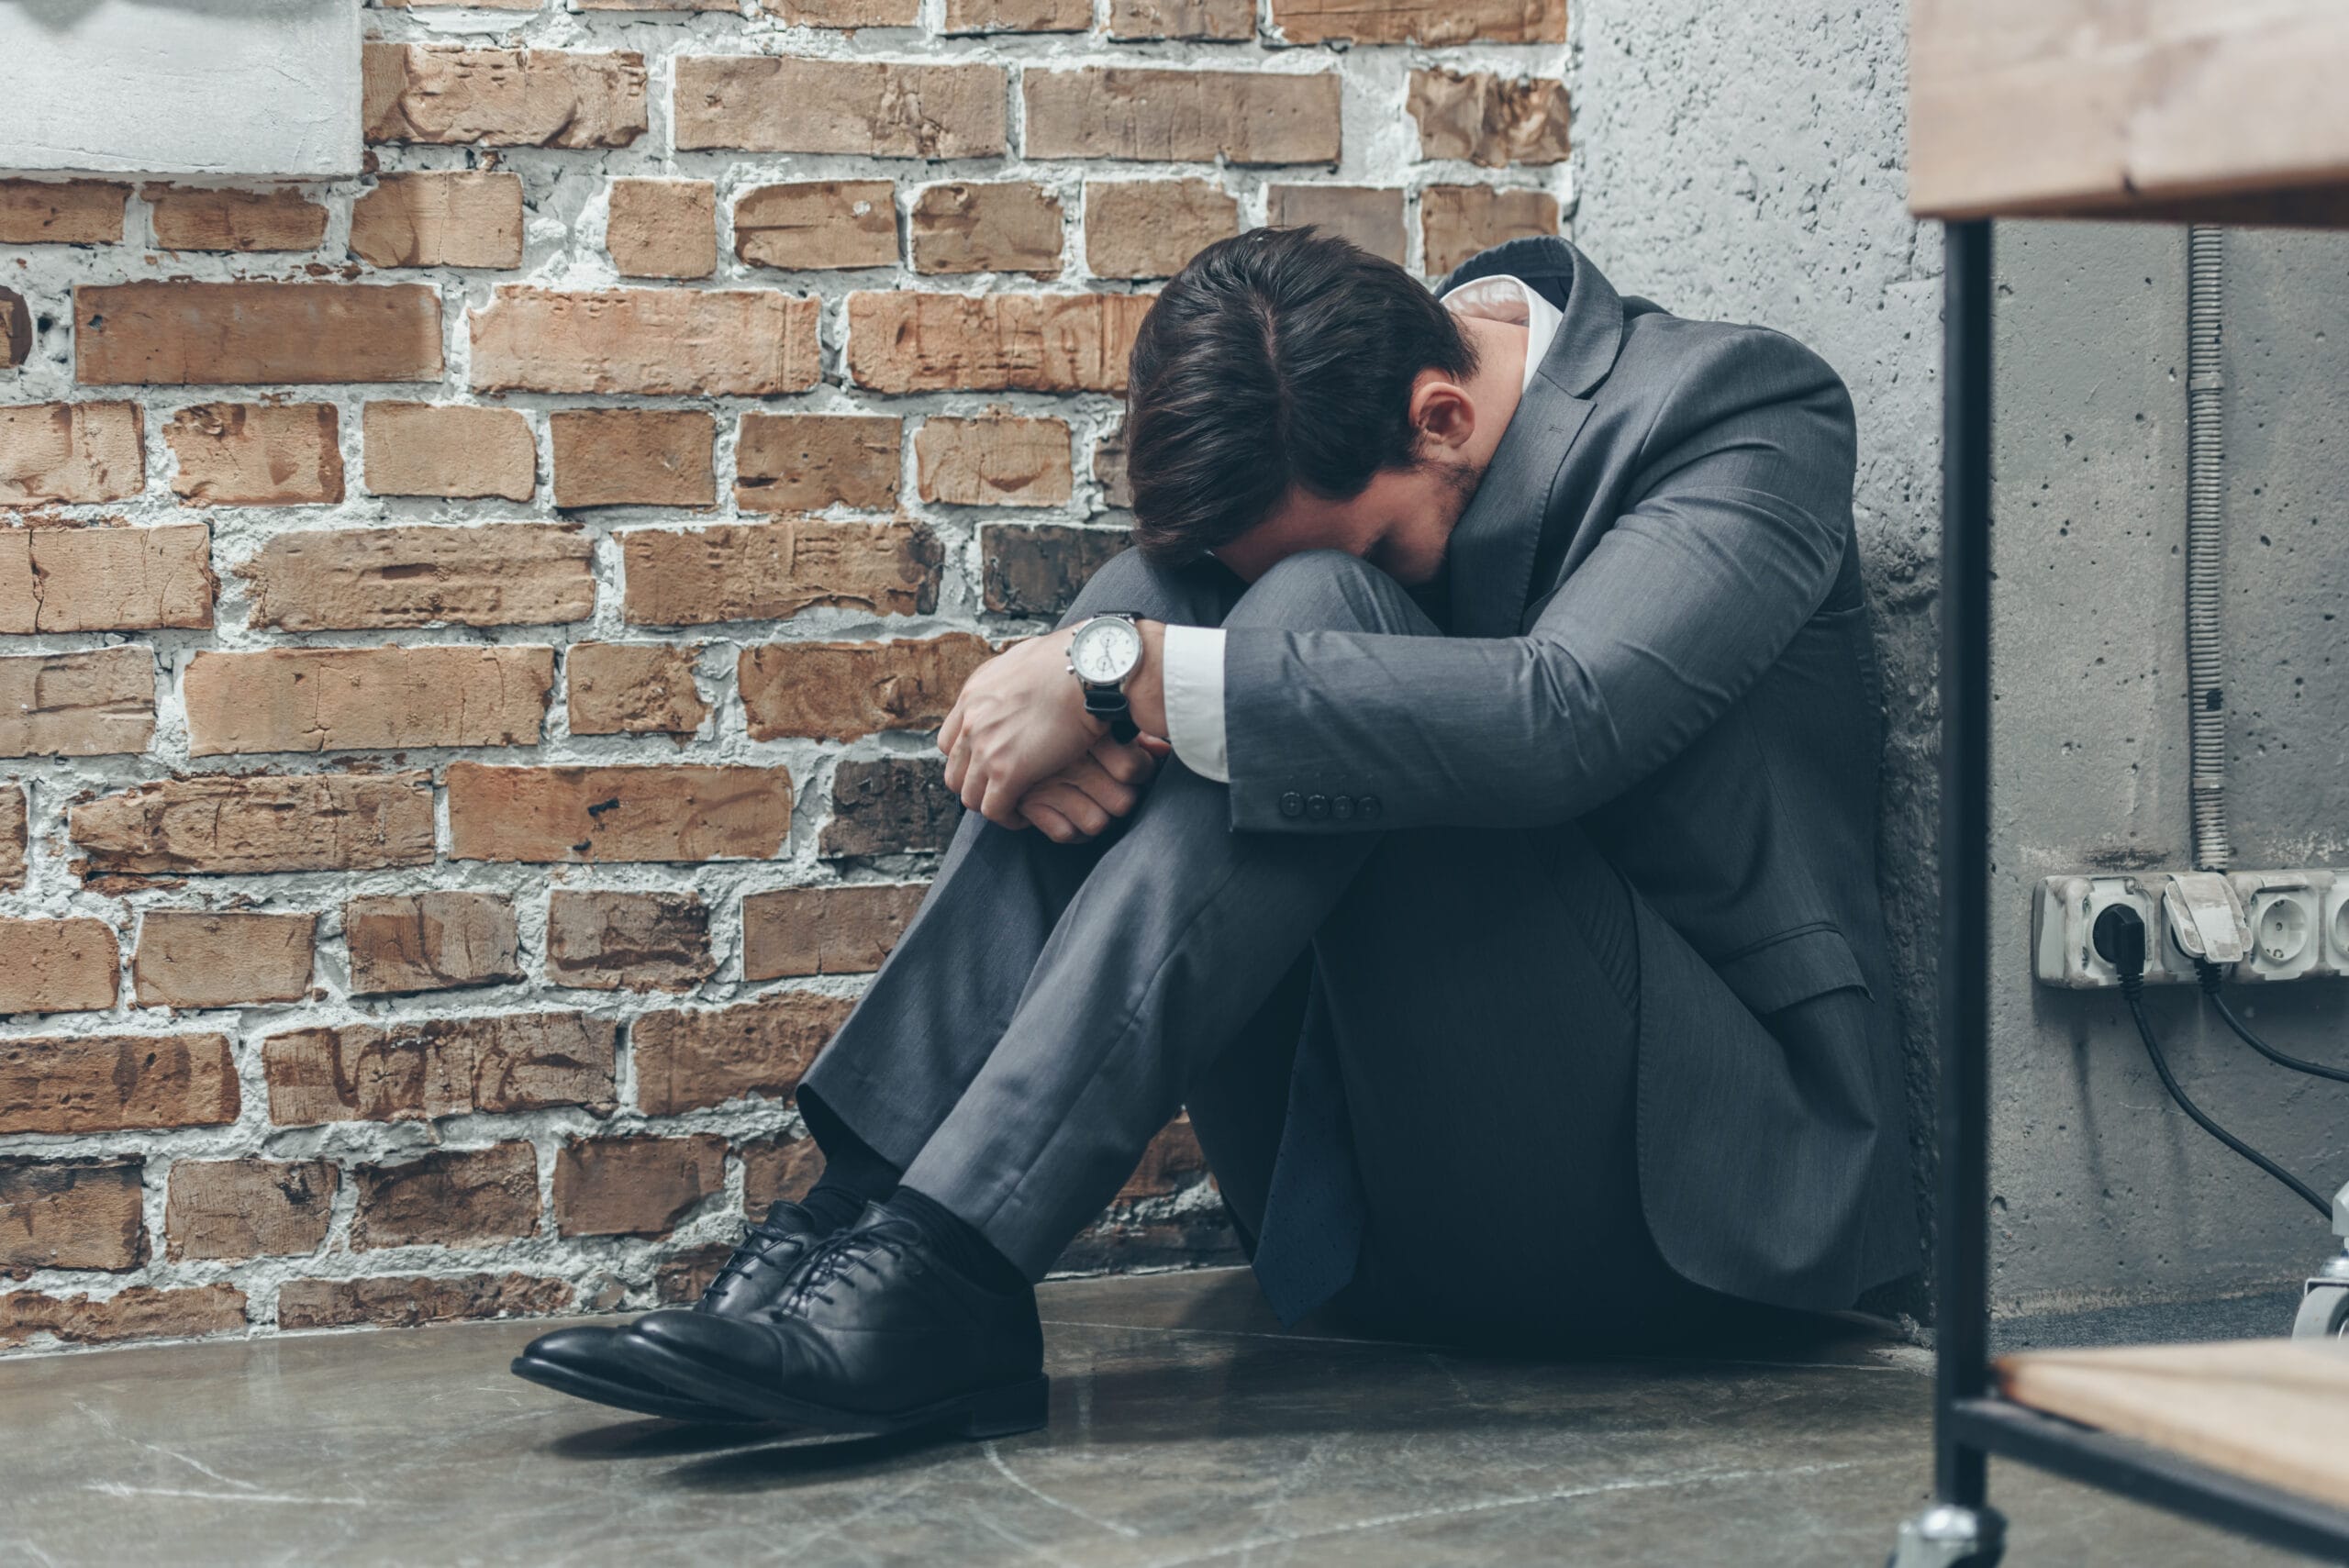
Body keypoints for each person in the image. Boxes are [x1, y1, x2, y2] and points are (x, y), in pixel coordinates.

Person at [512, 228, 1920, 1440]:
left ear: (1442, 416)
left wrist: (1119, 675)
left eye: (1385, 537)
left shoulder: (1739, 412)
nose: (1381, 561)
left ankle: (944, 1269)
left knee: (1284, 621)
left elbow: (1565, 720)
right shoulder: (1377, 417)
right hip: (1376, 1214)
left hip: (1685, 1214)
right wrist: (1120, 647)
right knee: (1162, 593)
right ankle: (865, 1227)